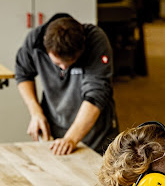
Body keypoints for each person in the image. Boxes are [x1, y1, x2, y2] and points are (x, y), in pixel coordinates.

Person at [14, 13, 119, 157]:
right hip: (55, 130)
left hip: (95, 133)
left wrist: (71, 139)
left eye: (71, 63)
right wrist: (36, 112)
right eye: (57, 64)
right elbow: (23, 74)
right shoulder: (35, 40)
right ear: (46, 46)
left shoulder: (95, 40)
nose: (63, 68)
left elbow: (96, 95)